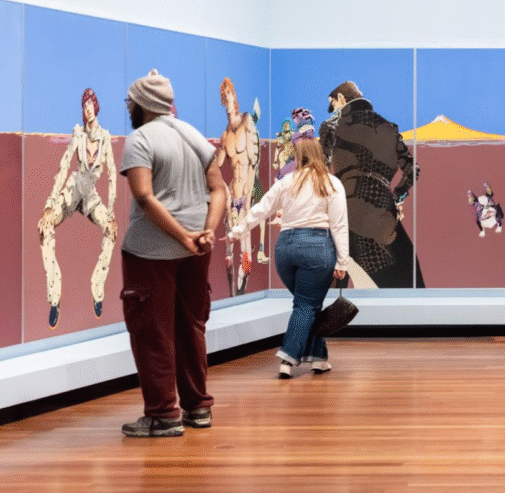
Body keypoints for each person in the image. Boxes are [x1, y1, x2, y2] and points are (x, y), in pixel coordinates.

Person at [119, 69, 226, 438]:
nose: (129, 107)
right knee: (190, 326)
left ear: (142, 105)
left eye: (130, 102)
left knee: (152, 330)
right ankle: (197, 407)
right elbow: (220, 190)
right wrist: (206, 233)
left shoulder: (139, 139)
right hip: (197, 249)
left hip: (150, 252)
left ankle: (163, 414)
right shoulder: (195, 135)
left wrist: (181, 236)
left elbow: (144, 196)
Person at [229, 137, 350, 378]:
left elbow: (261, 208)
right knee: (307, 304)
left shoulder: (287, 182)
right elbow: (339, 226)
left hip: (285, 249)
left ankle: (319, 358)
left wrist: (237, 231)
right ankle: (288, 357)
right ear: (320, 156)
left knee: (307, 304)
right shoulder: (332, 183)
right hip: (317, 248)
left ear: (297, 158)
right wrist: (342, 261)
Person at [319, 81, 423, 288]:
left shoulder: (331, 127)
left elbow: (321, 171)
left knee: (331, 292)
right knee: (411, 285)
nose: (334, 111)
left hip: (344, 213)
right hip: (382, 217)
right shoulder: (388, 128)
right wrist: (397, 195)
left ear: (341, 98)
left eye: (333, 106)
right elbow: (413, 169)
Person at [39, 88, 117, 328]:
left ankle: (97, 289)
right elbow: (64, 166)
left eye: (90, 104)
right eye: (84, 106)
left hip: (91, 196)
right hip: (73, 189)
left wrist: (111, 214)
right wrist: (50, 205)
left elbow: (112, 175)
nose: (87, 109)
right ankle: (55, 298)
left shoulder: (105, 138)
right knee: (44, 229)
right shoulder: (78, 134)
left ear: (97, 106)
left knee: (111, 232)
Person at [216, 77, 265, 296]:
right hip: (233, 196)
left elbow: (255, 160)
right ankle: (231, 292)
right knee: (229, 249)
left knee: (245, 252)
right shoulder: (225, 136)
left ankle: (242, 284)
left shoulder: (247, 123)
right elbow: (215, 167)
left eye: (230, 95)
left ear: (235, 98)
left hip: (246, 195)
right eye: (224, 96)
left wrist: (251, 194)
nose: (228, 99)